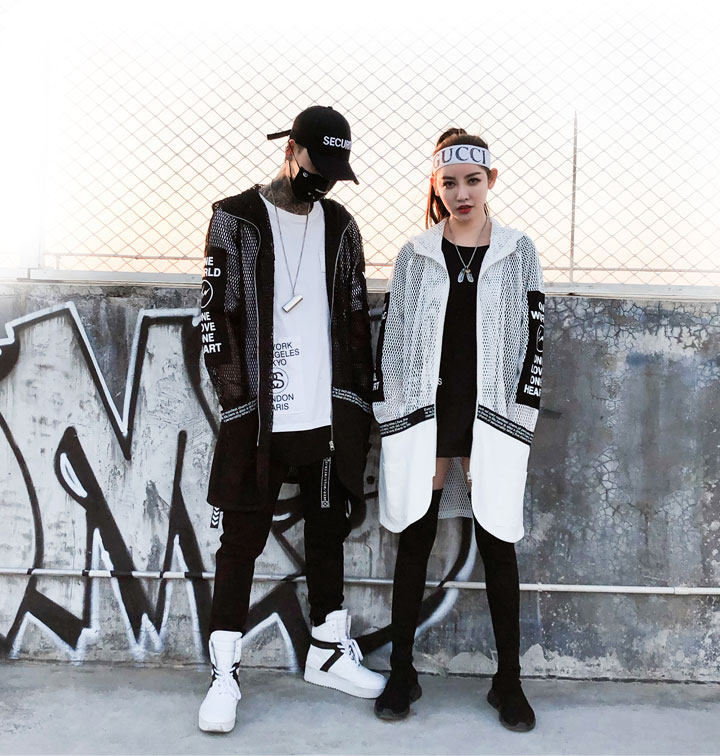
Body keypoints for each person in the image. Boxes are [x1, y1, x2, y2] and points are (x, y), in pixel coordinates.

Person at [197, 105, 385, 733]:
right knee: (241, 543)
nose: (323, 179)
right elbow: (215, 322)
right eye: (316, 163)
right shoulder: (236, 218)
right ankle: (224, 673)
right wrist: (240, 407)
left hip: (325, 417)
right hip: (259, 423)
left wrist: (357, 406)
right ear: (291, 150)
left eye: (335, 170)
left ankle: (328, 652)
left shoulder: (341, 226)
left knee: (329, 531)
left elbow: (354, 321)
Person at [372, 128, 544, 731]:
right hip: (428, 413)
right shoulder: (416, 254)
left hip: (491, 415)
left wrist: (518, 419)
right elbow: (393, 339)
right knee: (416, 536)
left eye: (473, 181)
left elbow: (532, 340)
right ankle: (402, 672)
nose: (461, 193)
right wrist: (395, 418)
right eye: (449, 183)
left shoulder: (518, 250)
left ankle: (508, 682)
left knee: (497, 539)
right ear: (436, 185)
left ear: (490, 181)